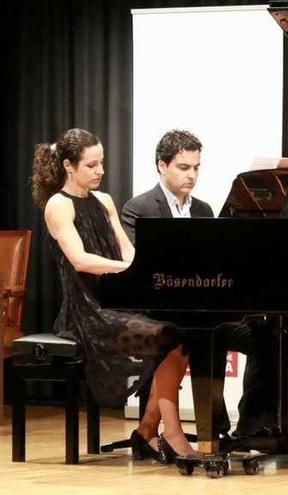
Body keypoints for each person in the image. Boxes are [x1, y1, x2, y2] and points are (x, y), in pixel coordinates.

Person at [31, 128, 195, 462]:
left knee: (181, 333)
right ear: (68, 166)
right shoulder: (57, 206)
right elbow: (80, 260)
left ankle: (148, 430)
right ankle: (171, 433)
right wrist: (126, 269)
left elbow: (129, 252)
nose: (100, 171)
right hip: (85, 312)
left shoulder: (104, 201)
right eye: (91, 165)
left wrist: (152, 269)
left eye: (101, 163)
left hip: (115, 304)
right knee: (166, 335)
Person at [121, 129, 275, 439]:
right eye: (183, 167)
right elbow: (142, 270)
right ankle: (211, 431)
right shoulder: (139, 209)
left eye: (196, 167)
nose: (192, 175)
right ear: (162, 166)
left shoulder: (203, 210)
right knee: (209, 332)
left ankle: (251, 428)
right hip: (160, 313)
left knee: (267, 334)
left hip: (202, 307)